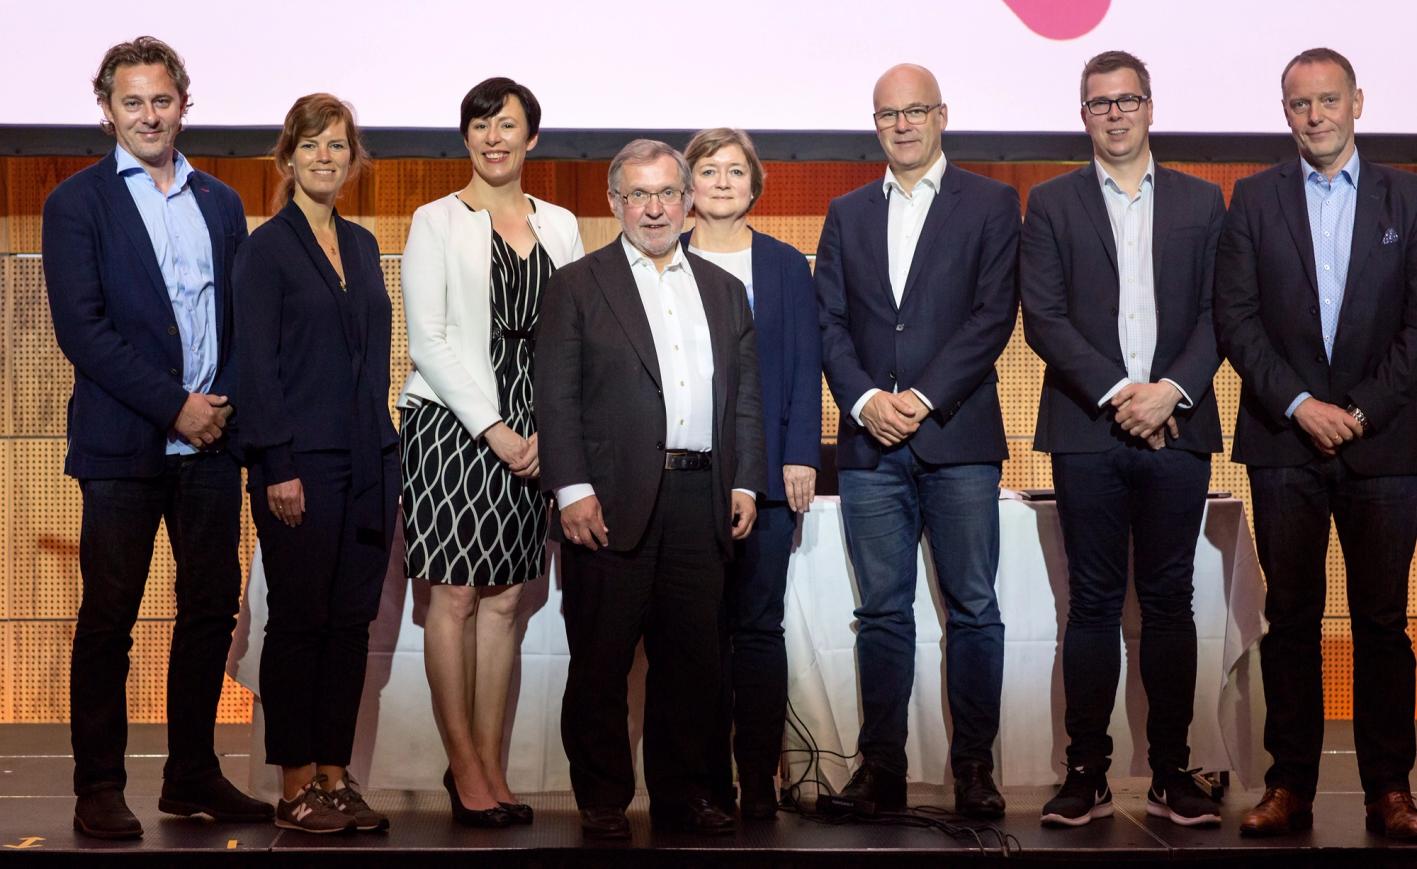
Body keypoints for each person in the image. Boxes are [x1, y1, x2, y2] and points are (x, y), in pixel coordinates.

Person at [42, 35, 271, 840]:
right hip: (122, 447)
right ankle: (99, 785)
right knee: (110, 615)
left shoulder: (221, 202)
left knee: (209, 609)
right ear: (106, 110)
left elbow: (239, 320)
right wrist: (175, 406)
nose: (149, 115)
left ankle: (191, 774)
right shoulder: (76, 203)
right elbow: (84, 331)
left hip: (211, 445)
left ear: (184, 105)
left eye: (162, 100)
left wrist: (220, 409)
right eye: (132, 101)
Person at [536, 139, 766, 839]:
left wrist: (746, 480)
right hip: (607, 502)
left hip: (702, 500)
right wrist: (571, 489)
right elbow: (555, 397)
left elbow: (744, 399)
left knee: (693, 664)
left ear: (688, 200)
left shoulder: (724, 291)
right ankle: (603, 798)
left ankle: (683, 793)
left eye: (667, 192)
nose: (655, 208)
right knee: (600, 661)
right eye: (639, 195)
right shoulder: (577, 285)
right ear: (615, 204)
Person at [1019, 50, 1226, 828]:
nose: (1114, 113)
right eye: (1099, 102)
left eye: (1126, 99)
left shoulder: (1203, 201)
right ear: (1083, 115)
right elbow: (1042, 317)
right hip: (1086, 428)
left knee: (1171, 600)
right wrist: (1119, 393)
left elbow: (1219, 312)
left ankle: (1171, 771)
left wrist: (1169, 390)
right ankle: (1086, 773)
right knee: (1093, 602)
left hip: (1179, 425)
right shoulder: (1049, 202)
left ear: (1149, 106)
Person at [1215, 47, 1417, 840]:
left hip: (1386, 443)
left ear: (1356, 103)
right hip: (1283, 440)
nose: (1315, 115)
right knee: (1290, 617)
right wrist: (1301, 405)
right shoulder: (1251, 198)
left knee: (1381, 621)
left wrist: (1357, 411)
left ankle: (1389, 788)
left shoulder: (1407, 196)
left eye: (1328, 100)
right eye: (1300, 104)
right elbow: (1236, 318)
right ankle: (1289, 784)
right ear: (1284, 113)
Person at [816, 62, 1018, 819]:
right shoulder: (845, 212)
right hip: (870, 447)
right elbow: (829, 320)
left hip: (958, 438)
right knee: (880, 613)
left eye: (915, 111)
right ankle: (882, 770)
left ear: (941, 115)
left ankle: (974, 770)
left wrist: (923, 398)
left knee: (974, 608)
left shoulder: (991, 202)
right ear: (875, 124)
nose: (901, 125)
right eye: (887, 114)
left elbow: (993, 315)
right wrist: (867, 399)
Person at [397, 77, 583, 828]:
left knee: (506, 598)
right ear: (465, 137)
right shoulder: (435, 220)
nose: (493, 138)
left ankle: (489, 765)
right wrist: (494, 428)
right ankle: (465, 768)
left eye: (506, 125)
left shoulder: (560, 224)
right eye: (480, 125)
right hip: (452, 427)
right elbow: (429, 340)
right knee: (453, 596)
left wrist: (550, 431)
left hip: (538, 435)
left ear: (530, 137)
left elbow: (574, 335)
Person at [234, 93, 400, 835]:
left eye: (337, 144)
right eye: (311, 145)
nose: (325, 157)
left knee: (349, 624)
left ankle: (334, 777)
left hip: (369, 460)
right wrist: (276, 463)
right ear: (287, 158)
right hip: (299, 464)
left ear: (352, 158)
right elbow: (256, 366)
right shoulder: (266, 248)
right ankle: (295, 783)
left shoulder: (362, 245)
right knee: (300, 623)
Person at [679, 128, 820, 820]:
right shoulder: (664, 257)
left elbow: (803, 364)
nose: (723, 182)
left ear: (755, 185)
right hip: (686, 479)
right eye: (709, 170)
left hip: (765, 476)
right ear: (688, 186)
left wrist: (800, 454)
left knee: (759, 630)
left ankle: (759, 778)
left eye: (736, 171)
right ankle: (708, 781)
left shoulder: (785, 264)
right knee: (698, 636)